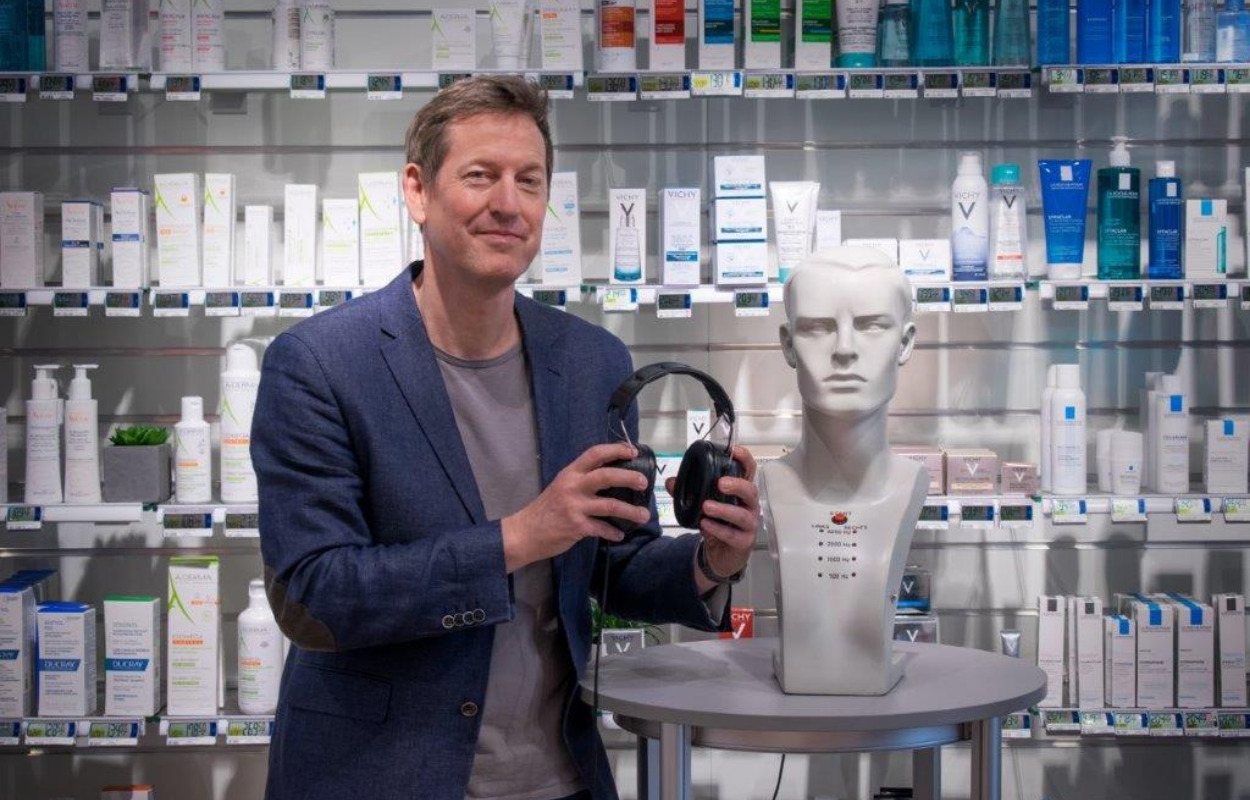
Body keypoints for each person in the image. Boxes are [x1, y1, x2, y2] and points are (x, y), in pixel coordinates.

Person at [253, 75, 762, 800]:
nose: (508, 203)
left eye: (529, 180)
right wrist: (521, 536)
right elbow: (317, 595)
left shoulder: (591, 363)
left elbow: (614, 565)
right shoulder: (320, 364)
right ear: (417, 191)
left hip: (558, 778)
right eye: (480, 176)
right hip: (381, 775)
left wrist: (710, 561)